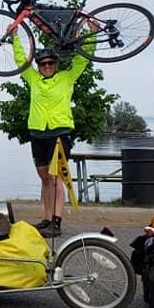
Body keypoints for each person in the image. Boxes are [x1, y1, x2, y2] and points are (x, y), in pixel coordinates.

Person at [12, 36, 94, 238]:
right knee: (45, 178)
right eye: (42, 63)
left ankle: (56, 223)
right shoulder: (33, 78)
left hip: (59, 133)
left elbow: (83, 59)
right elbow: (21, 59)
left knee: (56, 179)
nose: (47, 66)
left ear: (56, 64)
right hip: (37, 133)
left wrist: (90, 35)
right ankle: (47, 218)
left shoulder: (67, 77)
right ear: (38, 66)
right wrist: (14, 36)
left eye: (50, 63)